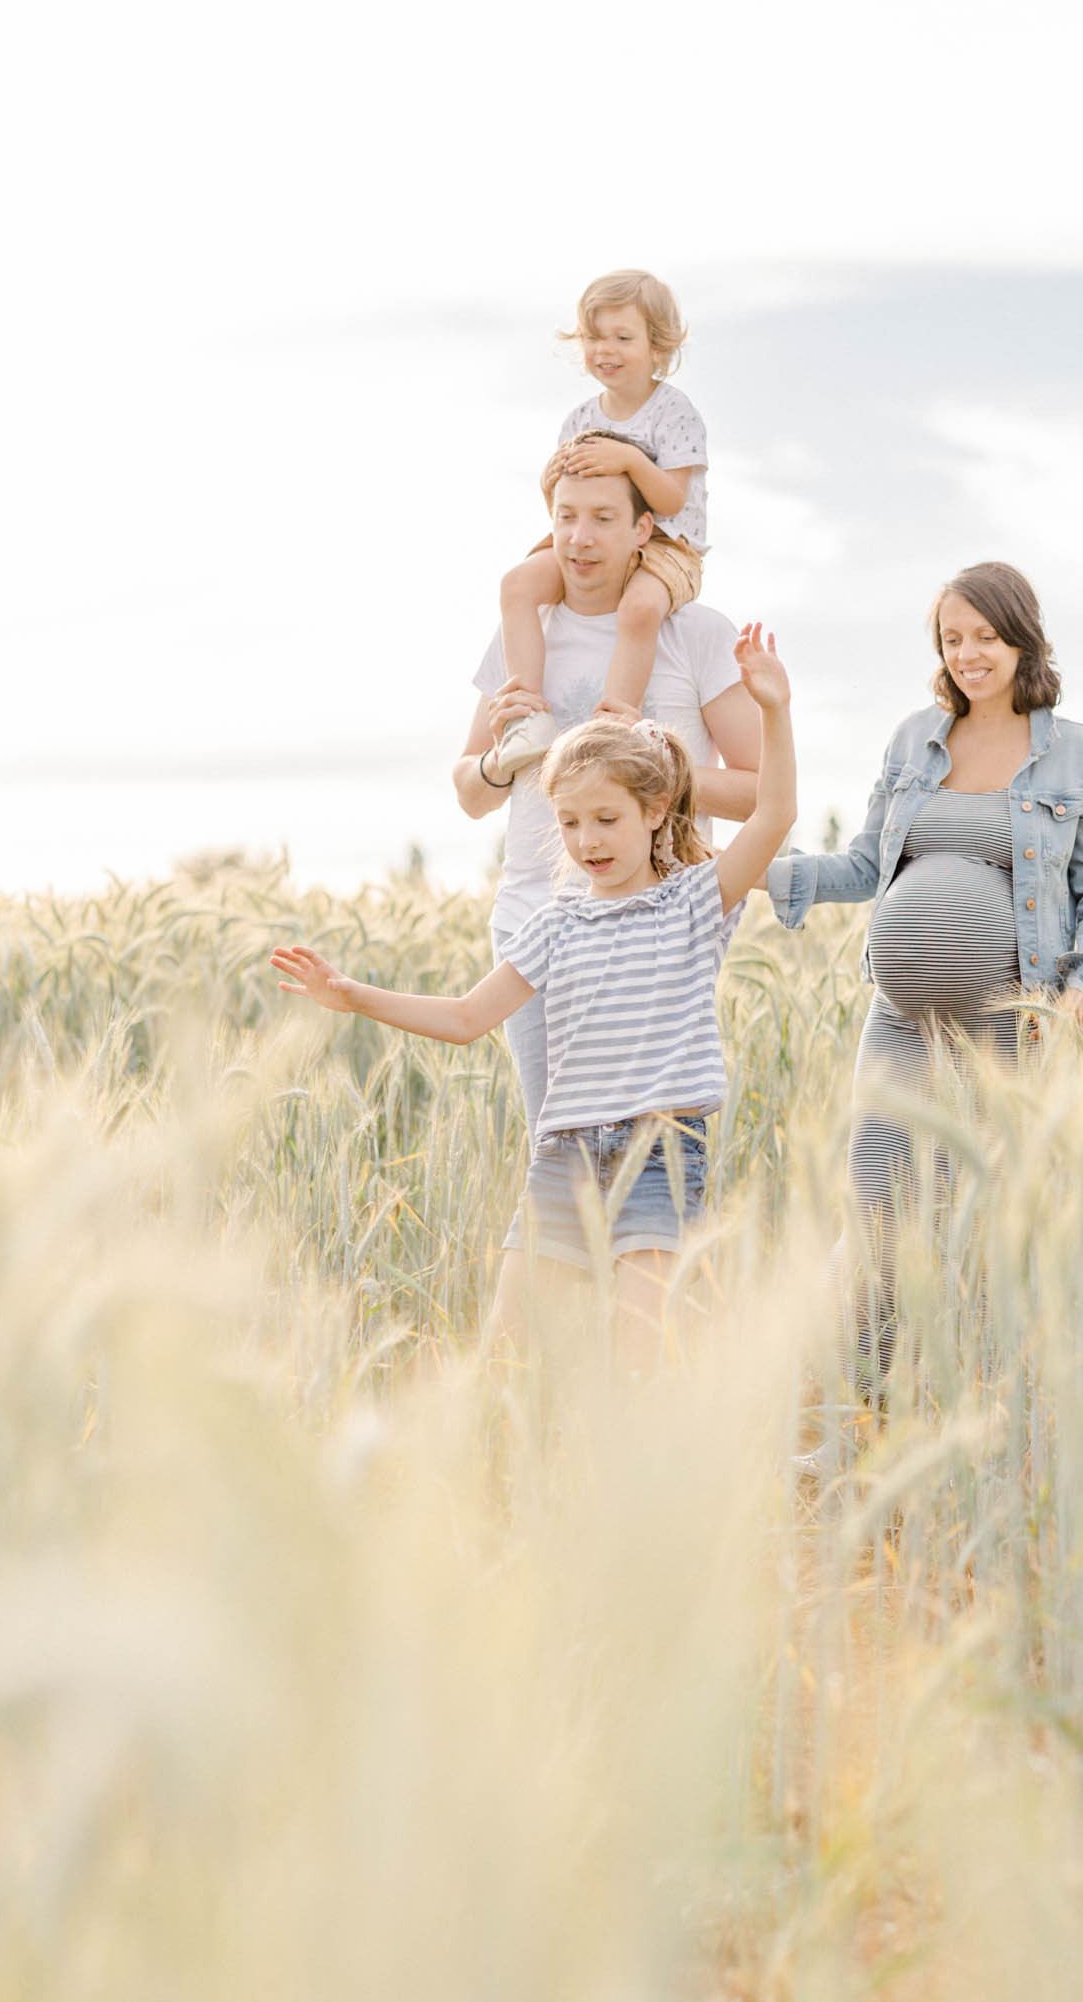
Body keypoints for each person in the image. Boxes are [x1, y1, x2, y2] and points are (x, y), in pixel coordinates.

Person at [274, 629, 796, 1343]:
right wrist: (351, 994)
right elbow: (467, 1017)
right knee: (508, 1349)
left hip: (660, 1156)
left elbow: (774, 815)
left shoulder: (696, 900)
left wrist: (774, 710)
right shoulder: (555, 923)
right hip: (563, 1158)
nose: (587, 841)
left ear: (655, 810)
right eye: (569, 823)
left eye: (606, 819)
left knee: (641, 1347)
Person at [765, 560, 1083, 1222]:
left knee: (984, 1215)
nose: (967, 655)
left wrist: (1081, 990)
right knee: (876, 1208)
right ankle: (870, 1301)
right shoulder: (913, 740)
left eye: (986, 636)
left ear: (1022, 638)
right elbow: (866, 865)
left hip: (1015, 1023)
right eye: (952, 639)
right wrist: (751, 868)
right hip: (900, 1023)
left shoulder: (1081, 754)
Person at [453, 464, 763, 1139]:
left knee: (652, 1152)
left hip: (654, 930)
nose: (580, 537)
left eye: (602, 518)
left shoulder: (697, 634)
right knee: (555, 1146)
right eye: (565, 517)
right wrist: (500, 760)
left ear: (642, 529)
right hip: (534, 921)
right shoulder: (522, 635)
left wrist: (652, 768)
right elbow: (469, 794)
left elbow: (760, 792)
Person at [493, 269, 710, 770]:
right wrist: (548, 483)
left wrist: (631, 460)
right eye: (594, 337)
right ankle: (526, 715)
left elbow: (672, 499)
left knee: (639, 609)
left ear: (658, 347)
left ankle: (615, 721)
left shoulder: (675, 412)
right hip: (594, 538)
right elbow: (567, 501)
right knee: (517, 585)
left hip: (667, 545)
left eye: (623, 338)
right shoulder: (579, 419)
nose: (605, 350)